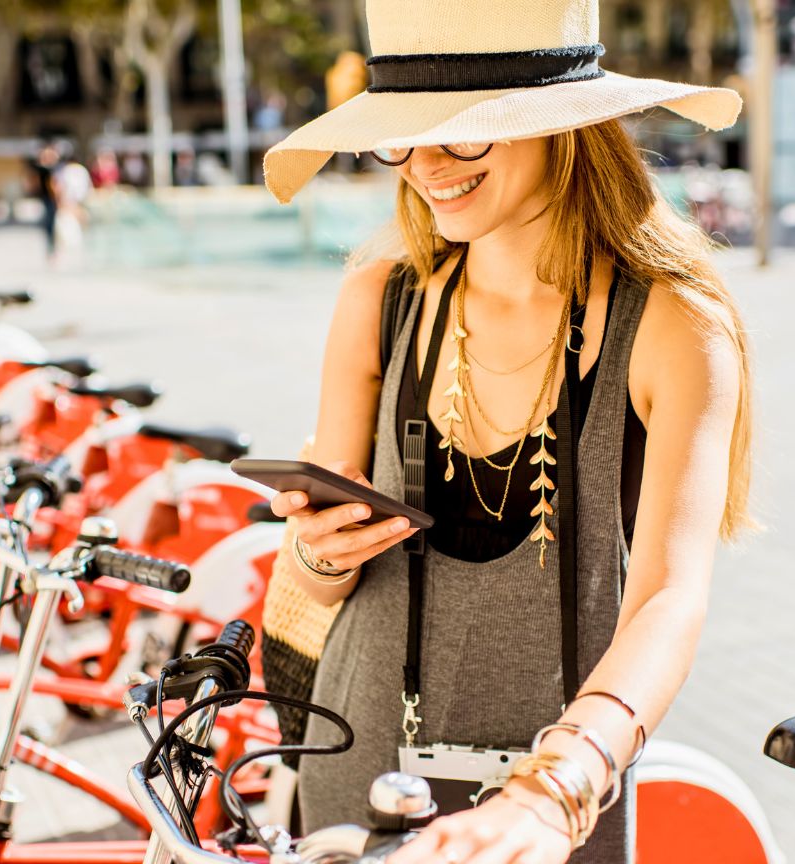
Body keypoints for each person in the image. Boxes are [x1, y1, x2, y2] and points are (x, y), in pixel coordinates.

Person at [261, 0, 749, 861]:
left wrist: (556, 789)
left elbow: (672, 600)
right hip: (353, 766)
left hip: (554, 795)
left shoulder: (675, 324)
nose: (426, 167)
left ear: (563, 128)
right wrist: (316, 552)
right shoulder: (381, 299)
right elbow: (312, 584)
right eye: (401, 137)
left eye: (465, 135)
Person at [27, 143, 61, 259]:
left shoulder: (53, 168)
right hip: (46, 198)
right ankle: (50, 248)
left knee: (52, 224)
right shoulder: (42, 169)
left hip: (52, 198)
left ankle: (53, 248)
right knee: (48, 224)